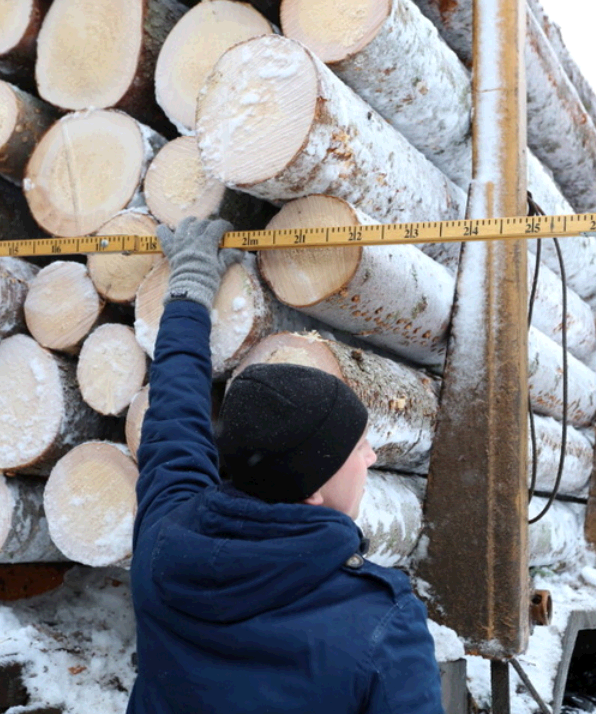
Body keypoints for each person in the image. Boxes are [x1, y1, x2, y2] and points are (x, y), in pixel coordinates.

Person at [128, 217, 445, 713]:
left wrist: (189, 296)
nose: (372, 456)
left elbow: (174, 417)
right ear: (313, 490)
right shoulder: (379, 624)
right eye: (356, 448)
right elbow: (174, 422)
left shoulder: (164, 545)